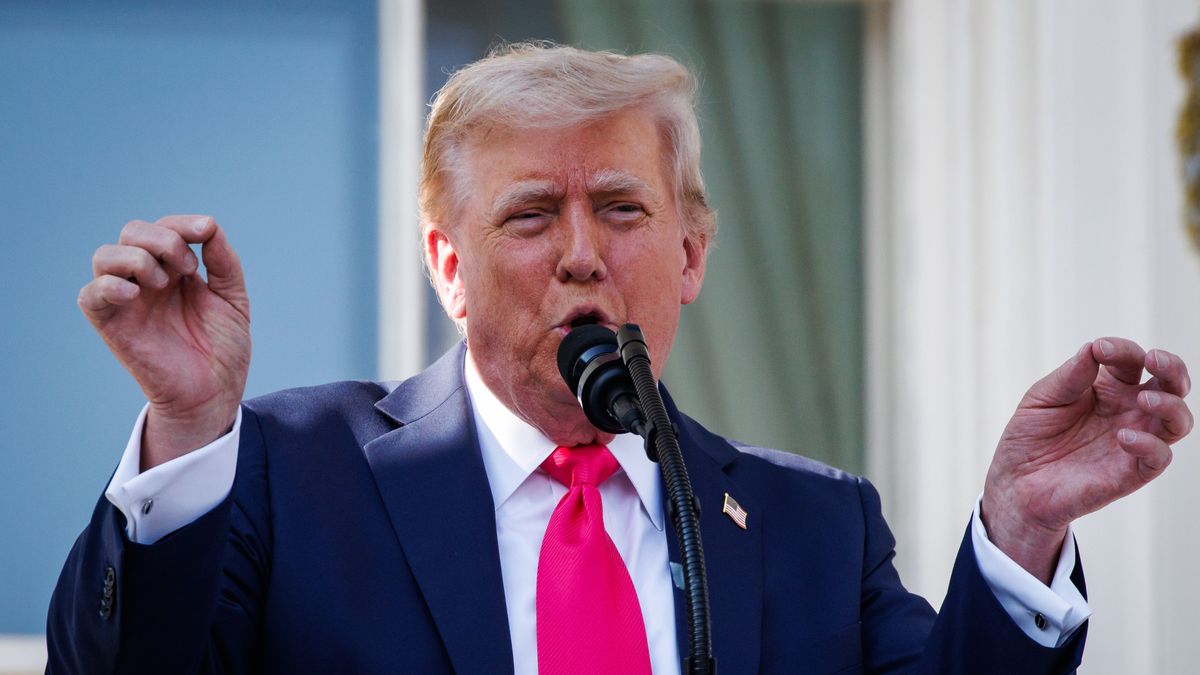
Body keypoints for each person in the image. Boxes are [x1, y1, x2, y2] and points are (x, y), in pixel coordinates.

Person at [49, 43, 1192, 674]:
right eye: (534, 213)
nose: (584, 255)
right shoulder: (293, 477)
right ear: (448, 262)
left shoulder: (813, 530)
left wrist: (1022, 529)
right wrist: (194, 428)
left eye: (625, 210)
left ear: (692, 254)